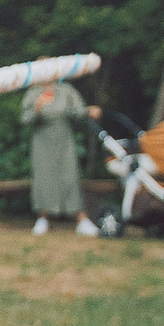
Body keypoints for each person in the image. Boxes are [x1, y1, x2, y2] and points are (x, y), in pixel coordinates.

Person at [20, 80, 101, 236]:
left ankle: (81, 220)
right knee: (43, 178)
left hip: (64, 140)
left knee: (69, 177)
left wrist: (89, 111)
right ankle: (42, 219)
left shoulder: (65, 90)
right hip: (42, 141)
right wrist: (37, 108)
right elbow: (25, 119)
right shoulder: (33, 93)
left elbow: (78, 111)